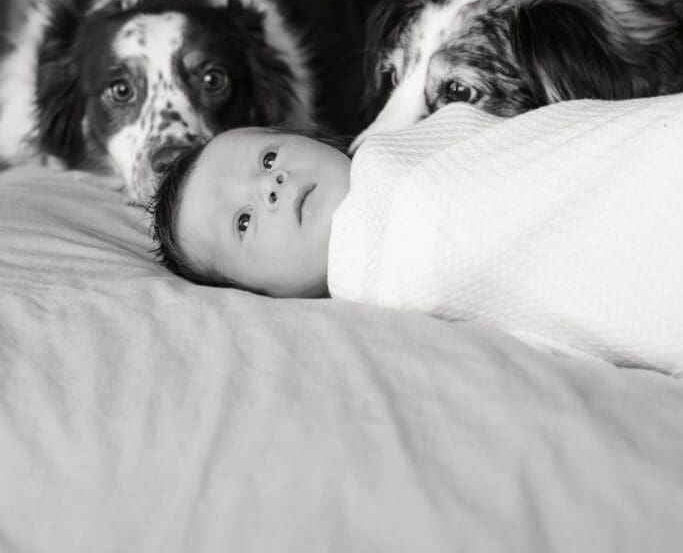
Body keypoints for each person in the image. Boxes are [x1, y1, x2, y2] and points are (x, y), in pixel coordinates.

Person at [151, 94, 683, 375]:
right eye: (243, 221)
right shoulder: (378, 309)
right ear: (258, 296)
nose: (271, 185)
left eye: (268, 158)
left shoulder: (402, 154)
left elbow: (547, 141)